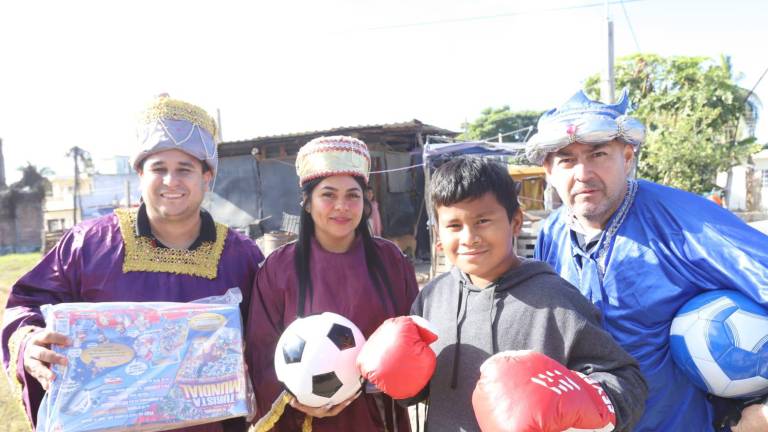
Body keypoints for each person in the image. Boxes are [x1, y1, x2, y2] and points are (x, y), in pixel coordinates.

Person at [1, 95, 264, 432]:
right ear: (139, 172)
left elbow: (268, 336)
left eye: (184, 169)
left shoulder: (241, 255)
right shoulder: (89, 244)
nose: (171, 181)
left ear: (207, 177)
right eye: (159, 169)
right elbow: (27, 304)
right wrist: (28, 344)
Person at [526, 89, 768, 432]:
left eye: (598, 154)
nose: (582, 172)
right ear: (548, 171)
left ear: (627, 157)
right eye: (566, 159)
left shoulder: (686, 222)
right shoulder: (552, 234)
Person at [408, 156, 647, 431]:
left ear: (516, 222)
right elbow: (418, 390)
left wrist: (574, 402)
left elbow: (628, 383)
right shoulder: (431, 298)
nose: (469, 237)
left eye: (483, 220)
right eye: (454, 226)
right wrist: (404, 383)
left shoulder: (555, 300)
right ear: (438, 234)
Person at [245, 136, 419, 431]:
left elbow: (411, 335)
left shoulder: (390, 261)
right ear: (307, 203)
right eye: (328, 194)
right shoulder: (278, 269)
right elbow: (262, 351)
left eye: (353, 195)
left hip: (377, 417)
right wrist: (295, 398)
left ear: (366, 203)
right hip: (304, 418)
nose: (342, 206)